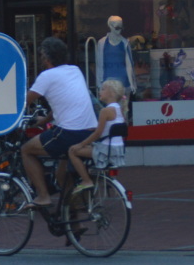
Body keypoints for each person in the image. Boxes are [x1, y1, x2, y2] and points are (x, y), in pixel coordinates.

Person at [20, 36, 99, 209]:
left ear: (46, 58)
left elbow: (23, 102)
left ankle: (43, 196)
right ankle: (72, 222)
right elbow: (65, 103)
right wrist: (45, 120)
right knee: (62, 174)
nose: (40, 59)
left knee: (26, 150)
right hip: (90, 132)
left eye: (41, 56)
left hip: (69, 133)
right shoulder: (75, 70)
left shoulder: (46, 76)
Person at [68, 79, 127, 194]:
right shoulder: (119, 110)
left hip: (105, 150)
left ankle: (86, 180)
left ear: (111, 93)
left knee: (72, 151)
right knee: (88, 147)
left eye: (103, 89)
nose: (100, 91)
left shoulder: (105, 111)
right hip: (117, 150)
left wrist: (81, 144)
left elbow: (97, 134)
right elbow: (111, 128)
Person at [94, 16, 136, 97]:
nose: (119, 30)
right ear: (110, 26)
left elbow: (129, 65)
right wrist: (99, 84)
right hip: (107, 81)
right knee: (110, 107)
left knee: (123, 108)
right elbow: (99, 65)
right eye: (117, 27)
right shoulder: (102, 43)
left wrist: (131, 83)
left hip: (123, 82)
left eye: (121, 27)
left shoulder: (125, 43)